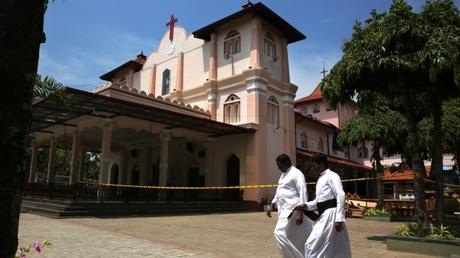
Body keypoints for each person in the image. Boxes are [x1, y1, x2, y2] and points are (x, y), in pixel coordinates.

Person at [298, 153, 351, 258]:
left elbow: (340, 194)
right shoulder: (320, 179)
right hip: (324, 215)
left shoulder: (332, 175)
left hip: (331, 216)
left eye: (313, 166)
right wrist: (306, 206)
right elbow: (319, 202)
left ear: (321, 164)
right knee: (331, 247)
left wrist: (339, 219)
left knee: (312, 245)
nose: (312, 169)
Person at [267, 154, 312, 258]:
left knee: (279, 233)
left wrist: (301, 212)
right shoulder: (283, 175)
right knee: (295, 236)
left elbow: (303, 192)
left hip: (293, 209)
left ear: (285, 163)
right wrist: (272, 204)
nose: (277, 167)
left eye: (278, 164)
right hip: (283, 210)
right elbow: (280, 191)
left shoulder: (296, 173)